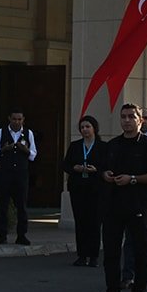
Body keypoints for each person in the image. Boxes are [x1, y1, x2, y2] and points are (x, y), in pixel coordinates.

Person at [94, 104, 147, 292]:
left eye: (131, 117)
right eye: (123, 117)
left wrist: (132, 179)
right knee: (112, 252)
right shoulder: (113, 145)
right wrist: (105, 174)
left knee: (142, 251)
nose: (126, 120)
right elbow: (104, 169)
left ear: (140, 120)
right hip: (114, 206)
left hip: (139, 205)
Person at [62, 115, 105, 268]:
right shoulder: (75, 146)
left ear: (94, 128)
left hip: (95, 189)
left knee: (94, 222)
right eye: (82, 127)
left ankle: (93, 256)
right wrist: (75, 168)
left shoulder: (102, 146)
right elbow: (66, 164)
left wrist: (97, 170)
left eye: (88, 127)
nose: (85, 130)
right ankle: (82, 255)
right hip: (78, 188)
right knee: (80, 222)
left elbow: (107, 167)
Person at [0, 109, 36, 245]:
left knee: (22, 205)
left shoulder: (28, 133)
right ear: (9, 119)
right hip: (5, 173)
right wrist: (5, 149)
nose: (17, 122)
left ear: (23, 120)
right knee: (3, 204)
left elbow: (33, 154)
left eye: (19, 119)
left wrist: (26, 150)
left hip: (21, 173)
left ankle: (22, 234)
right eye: (14, 119)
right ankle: (2, 234)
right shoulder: (1, 132)